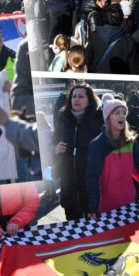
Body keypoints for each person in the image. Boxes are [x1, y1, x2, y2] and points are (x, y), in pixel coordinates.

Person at [85, 97, 139, 217]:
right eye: (117, 113)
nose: (122, 116)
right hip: (106, 208)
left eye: (124, 113)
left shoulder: (131, 142)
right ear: (108, 118)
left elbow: (138, 170)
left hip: (128, 204)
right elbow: (93, 179)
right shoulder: (97, 145)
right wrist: (94, 207)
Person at [52, 83, 104, 220]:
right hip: (69, 188)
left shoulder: (99, 120)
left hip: (90, 188)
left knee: (93, 231)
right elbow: (54, 142)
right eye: (74, 96)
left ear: (89, 100)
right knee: (72, 229)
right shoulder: (63, 118)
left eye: (81, 96)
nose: (76, 99)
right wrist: (55, 149)